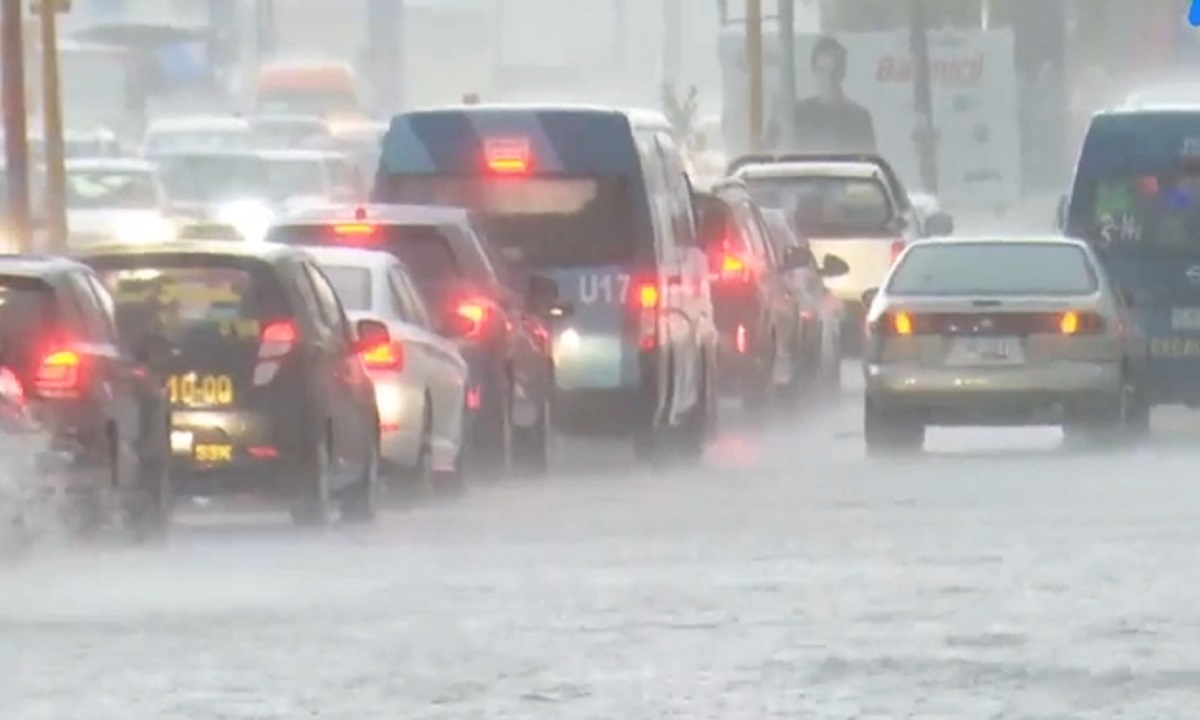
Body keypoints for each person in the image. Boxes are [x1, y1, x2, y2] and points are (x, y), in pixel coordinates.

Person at [767, 35, 877, 153]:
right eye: (823, 70)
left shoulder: (859, 119)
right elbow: (770, 148)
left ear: (843, 71)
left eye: (834, 70)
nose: (829, 78)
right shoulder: (797, 115)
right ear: (814, 71)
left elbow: (868, 160)